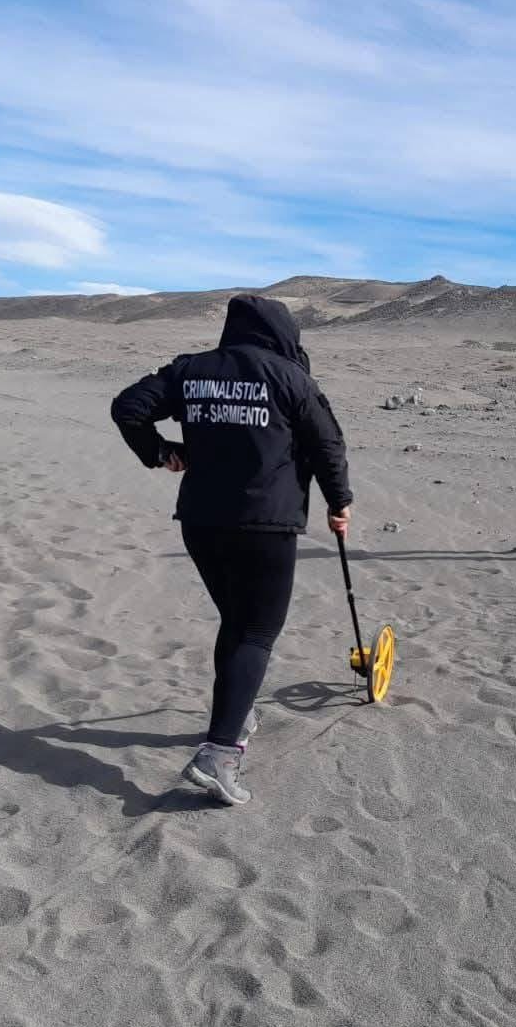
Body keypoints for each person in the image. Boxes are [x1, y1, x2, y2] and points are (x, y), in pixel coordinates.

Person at [110, 295, 353, 804]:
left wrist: (159, 451)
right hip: (265, 524)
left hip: (200, 522)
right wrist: (339, 502)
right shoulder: (291, 377)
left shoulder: (191, 370)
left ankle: (235, 718)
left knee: (238, 624)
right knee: (256, 631)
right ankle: (220, 753)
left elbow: (128, 407)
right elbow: (327, 444)